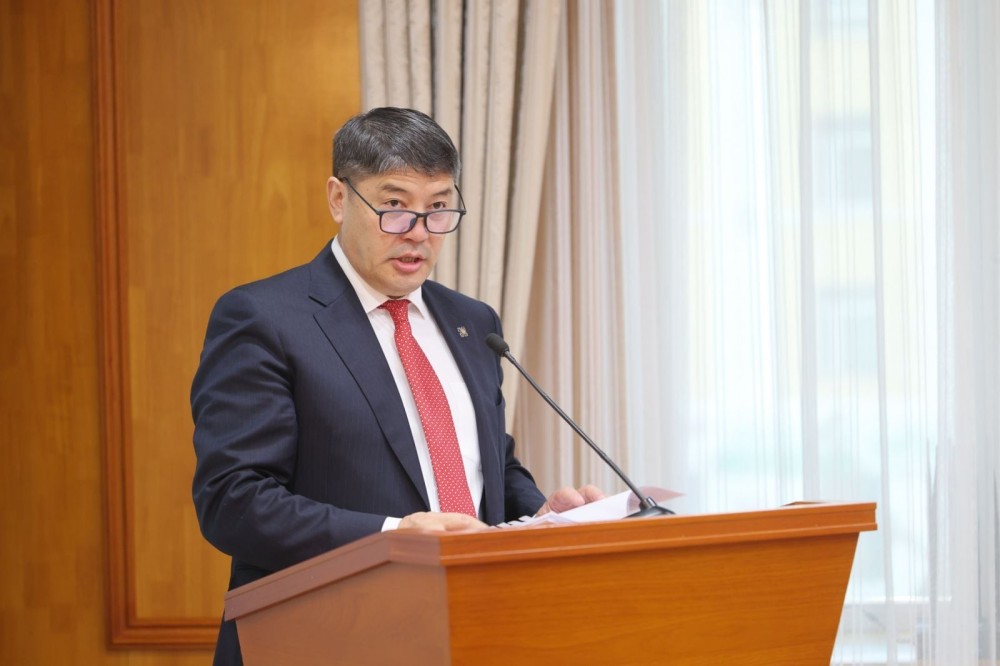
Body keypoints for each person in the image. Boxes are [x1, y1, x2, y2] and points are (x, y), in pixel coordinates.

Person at [191, 106, 604, 665]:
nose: (418, 233)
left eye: (437, 208)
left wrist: (539, 518)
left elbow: (490, 466)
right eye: (394, 207)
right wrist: (395, 535)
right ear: (339, 199)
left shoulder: (472, 322)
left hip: (471, 632)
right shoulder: (265, 318)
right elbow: (233, 501)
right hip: (326, 639)